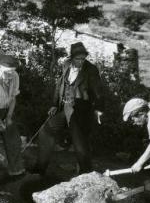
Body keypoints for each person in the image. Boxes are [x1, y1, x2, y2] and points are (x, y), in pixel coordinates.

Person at [31, 42, 105, 175]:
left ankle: (86, 174)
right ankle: (40, 168)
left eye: (83, 59)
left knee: (80, 143)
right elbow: (59, 85)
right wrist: (54, 104)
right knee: (45, 131)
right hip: (64, 106)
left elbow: (98, 91)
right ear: (72, 58)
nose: (81, 61)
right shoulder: (66, 65)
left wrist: (98, 109)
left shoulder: (91, 69)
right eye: (78, 59)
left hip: (80, 110)